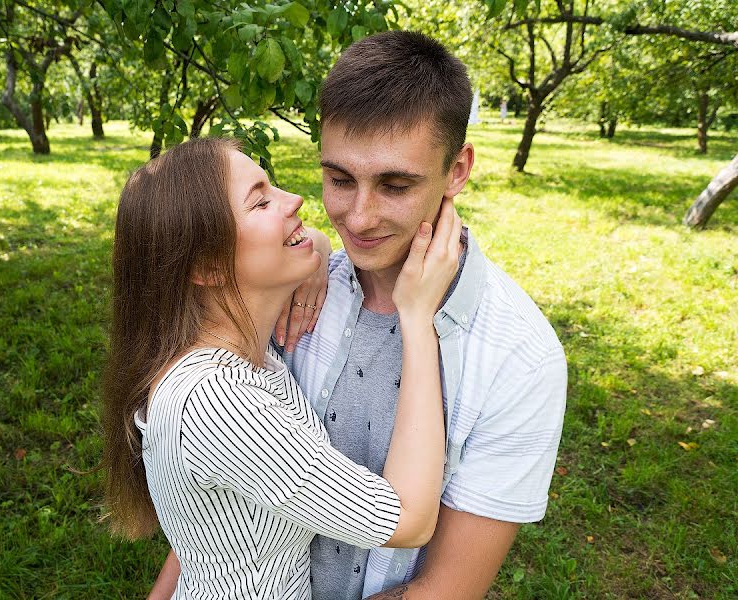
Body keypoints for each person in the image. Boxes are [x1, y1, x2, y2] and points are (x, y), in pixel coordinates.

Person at [154, 30, 566, 600]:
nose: (359, 216)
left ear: (458, 169)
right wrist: (315, 251)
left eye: (395, 185)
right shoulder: (287, 293)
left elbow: (446, 589)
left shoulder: (520, 358)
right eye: (339, 179)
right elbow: (224, 500)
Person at [102, 136, 463, 599]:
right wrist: (417, 316)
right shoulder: (218, 404)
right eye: (260, 201)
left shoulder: (231, 359)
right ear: (209, 266)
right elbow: (408, 520)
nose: (295, 200)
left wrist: (311, 247)